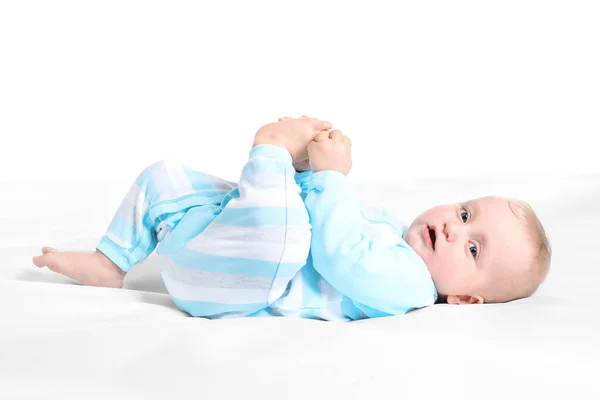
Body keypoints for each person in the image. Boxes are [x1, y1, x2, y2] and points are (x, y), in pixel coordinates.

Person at [32, 116, 551, 321]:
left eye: (474, 248)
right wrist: (307, 175)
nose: (455, 229)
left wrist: (329, 177)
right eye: (464, 212)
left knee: (286, 235)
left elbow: (335, 252)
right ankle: (111, 260)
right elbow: (318, 211)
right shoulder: (389, 227)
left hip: (239, 282)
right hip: (215, 247)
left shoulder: (411, 285)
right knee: (165, 175)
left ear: (464, 298)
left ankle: (270, 151)